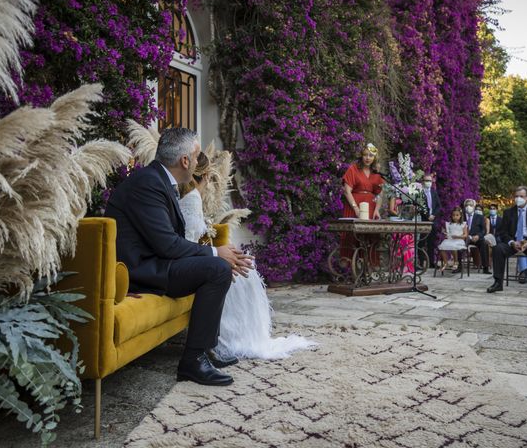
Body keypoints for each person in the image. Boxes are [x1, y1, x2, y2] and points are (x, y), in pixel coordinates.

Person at [105, 128, 252, 386]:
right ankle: (192, 362)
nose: (197, 162)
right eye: (196, 157)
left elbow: (169, 242)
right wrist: (216, 252)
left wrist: (217, 254)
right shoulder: (148, 183)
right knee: (216, 268)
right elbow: (167, 245)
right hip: (139, 272)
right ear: (185, 161)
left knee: (216, 265)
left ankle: (205, 349)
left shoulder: (158, 180)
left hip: (155, 262)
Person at [178, 152, 316, 358]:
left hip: (199, 255)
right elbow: (188, 241)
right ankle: (237, 337)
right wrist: (217, 255)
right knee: (243, 274)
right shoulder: (192, 199)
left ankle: (249, 335)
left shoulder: (193, 197)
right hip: (193, 260)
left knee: (246, 268)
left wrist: (224, 251)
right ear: (206, 176)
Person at [488, 186, 527, 296]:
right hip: (513, 242)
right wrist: (511, 242)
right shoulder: (508, 212)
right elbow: (502, 232)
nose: (518, 198)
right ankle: (498, 283)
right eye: (516, 196)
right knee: (498, 249)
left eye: (521, 196)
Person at [340, 143, 384, 261]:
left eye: (371, 155)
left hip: (370, 208)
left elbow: (379, 193)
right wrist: (356, 209)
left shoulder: (376, 172)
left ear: (374, 158)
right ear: (361, 155)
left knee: (369, 238)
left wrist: (376, 210)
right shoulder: (353, 169)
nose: (368, 158)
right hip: (354, 206)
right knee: (351, 238)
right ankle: (348, 268)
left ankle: (367, 268)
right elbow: (347, 191)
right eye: (365, 155)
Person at [419, 173, 441, 269]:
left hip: (433, 221)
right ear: (422, 182)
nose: (429, 182)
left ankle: (431, 263)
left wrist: (433, 215)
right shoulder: (419, 192)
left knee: (431, 242)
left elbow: (438, 206)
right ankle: (420, 263)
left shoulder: (434, 192)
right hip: (423, 220)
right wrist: (427, 216)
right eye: (426, 180)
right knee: (421, 242)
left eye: (430, 181)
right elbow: (419, 206)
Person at [437, 207, 468, 273]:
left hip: (459, 240)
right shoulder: (449, 224)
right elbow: (448, 233)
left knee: (454, 247)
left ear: (460, 216)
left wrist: (458, 236)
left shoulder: (463, 224)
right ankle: (446, 263)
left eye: (457, 215)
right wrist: (444, 232)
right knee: (442, 247)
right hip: (450, 240)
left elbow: (465, 235)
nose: (455, 217)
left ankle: (456, 262)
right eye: (453, 215)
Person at [388, 197, 414, 272]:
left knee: (408, 243)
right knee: (398, 244)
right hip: (397, 222)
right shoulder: (394, 197)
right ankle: (398, 266)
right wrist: (400, 215)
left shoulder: (408, 196)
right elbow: (391, 209)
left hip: (407, 222)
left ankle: (408, 266)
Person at [463, 199, 489, 274]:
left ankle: (485, 267)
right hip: (464, 237)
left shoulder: (479, 217)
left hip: (476, 238)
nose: (468, 207)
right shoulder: (462, 216)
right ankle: (459, 266)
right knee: (459, 243)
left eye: (470, 205)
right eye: (467, 205)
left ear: (474, 207)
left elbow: (483, 230)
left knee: (484, 243)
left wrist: (478, 236)